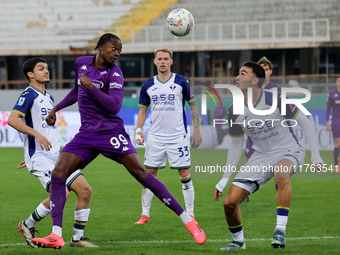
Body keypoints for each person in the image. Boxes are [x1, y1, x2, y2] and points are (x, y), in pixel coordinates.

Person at [31, 34, 206, 249]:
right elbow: (78, 90)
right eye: (114, 48)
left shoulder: (115, 74)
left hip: (110, 132)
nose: (116, 54)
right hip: (86, 134)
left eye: (119, 51)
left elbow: (114, 106)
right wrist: (57, 107)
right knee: (59, 173)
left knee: (143, 174)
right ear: (101, 47)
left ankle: (188, 221)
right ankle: (56, 234)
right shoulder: (81, 63)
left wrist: (92, 87)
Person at [214, 61, 323, 250]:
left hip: (289, 150)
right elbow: (235, 144)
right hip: (260, 156)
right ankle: (238, 242)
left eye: (242, 73)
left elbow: (305, 123)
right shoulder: (234, 110)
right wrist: (224, 179)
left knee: (281, 173)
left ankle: (279, 232)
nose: (237, 77)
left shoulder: (276, 98)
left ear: (255, 80)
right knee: (229, 203)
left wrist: (316, 155)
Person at [7, 57, 97, 248]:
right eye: (41, 68)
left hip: (56, 156)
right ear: (30, 74)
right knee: (62, 194)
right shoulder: (28, 94)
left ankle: (77, 239)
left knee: (85, 190)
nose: (46, 71)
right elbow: (13, 120)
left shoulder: (49, 98)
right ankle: (27, 224)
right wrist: (35, 140)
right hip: (40, 157)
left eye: (47, 68)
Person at [134, 48, 202, 225]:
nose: (163, 61)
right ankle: (145, 214)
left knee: (184, 173)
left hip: (178, 137)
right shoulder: (148, 85)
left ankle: (191, 213)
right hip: (155, 137)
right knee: (149, 174)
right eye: (160, 59)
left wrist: (197, 130)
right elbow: (143, 110)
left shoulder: (181, 82)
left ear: (171, 62)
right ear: (155, 62)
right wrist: (138, 130)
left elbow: (193, 107)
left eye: (166, 59)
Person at [244, 56, 281, 161]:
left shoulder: (277, 90)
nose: (264, 72)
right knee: (250, 165)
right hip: (254, 133)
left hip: (271, 133)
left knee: (277, 170)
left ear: (270, 72)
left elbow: (285, 112)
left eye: (266, 69)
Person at [326, 76, 340, 171]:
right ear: (336, 83)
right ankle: (336, 166)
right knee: (337, 142)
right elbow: (328, 109)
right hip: (336, 121)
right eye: (338, 80)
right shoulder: (332, 94)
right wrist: (327, 121)